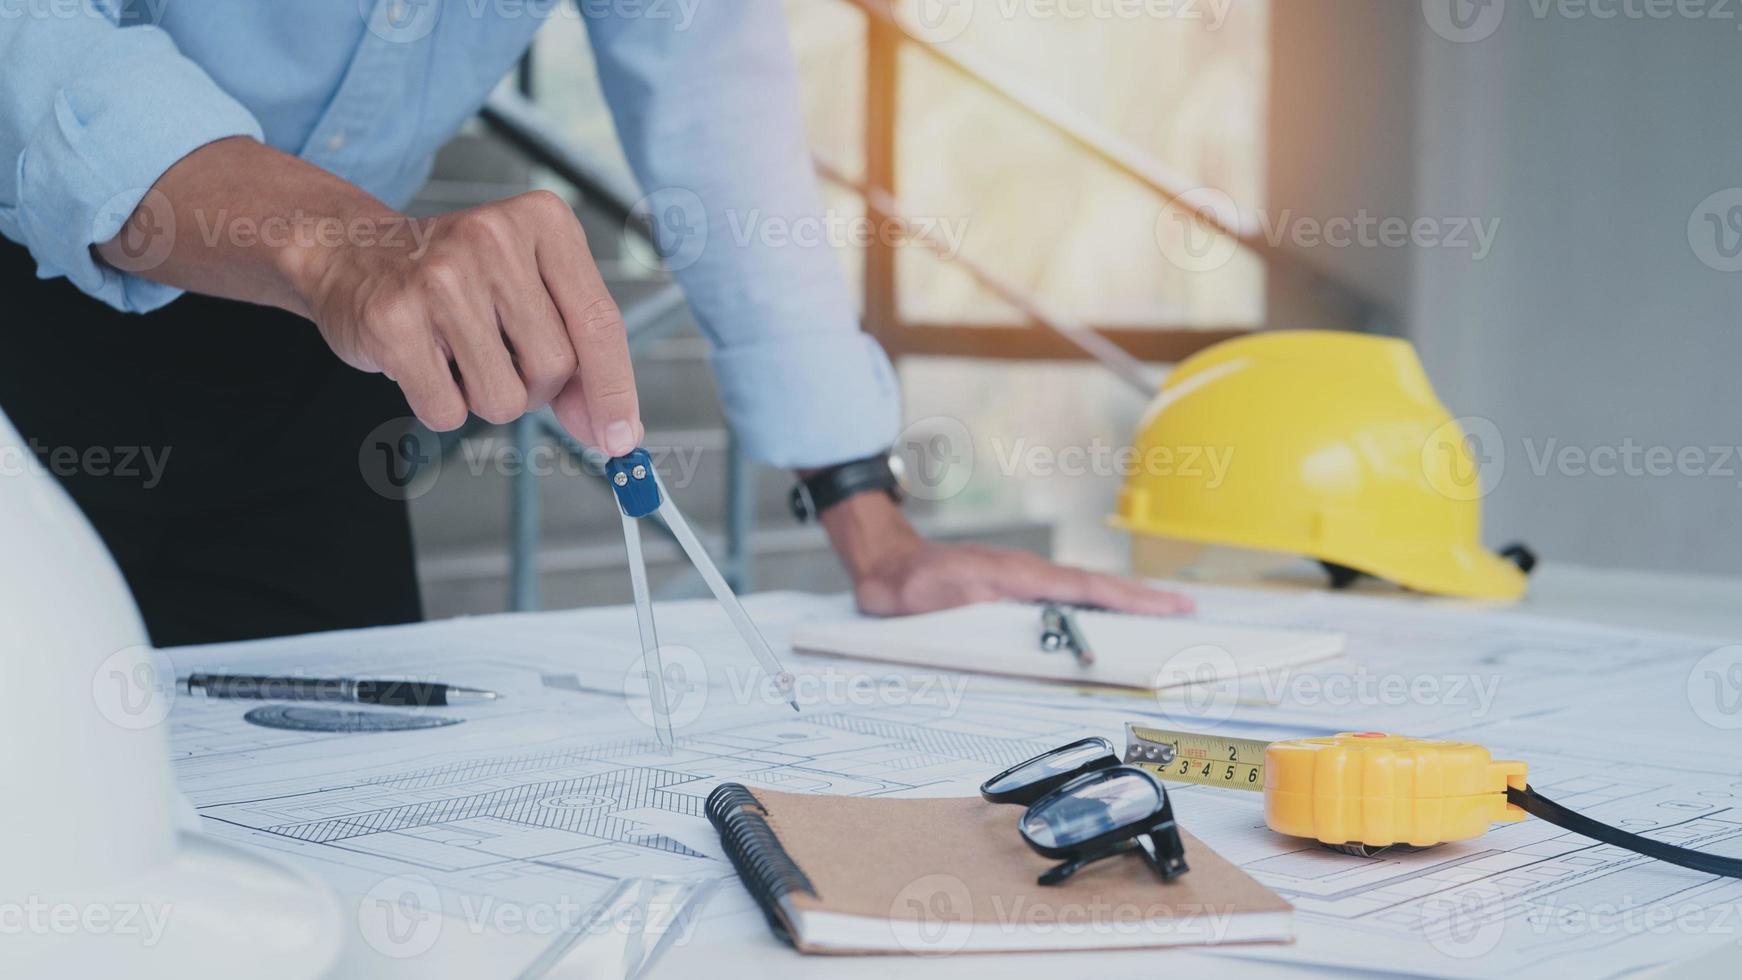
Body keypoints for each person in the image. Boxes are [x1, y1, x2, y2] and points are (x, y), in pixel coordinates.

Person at [0, 1, 1189, 646]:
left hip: (327, 362)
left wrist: (863, 511)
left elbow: (713, 105)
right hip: (42, 295)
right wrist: (331, 242)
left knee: (326, 813)